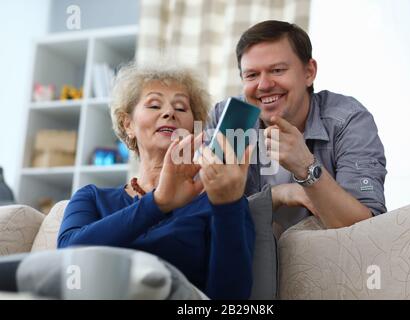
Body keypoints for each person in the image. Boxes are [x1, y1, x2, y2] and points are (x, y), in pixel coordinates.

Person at [57, 62, 255, 300]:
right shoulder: (92, 197)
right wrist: (157, 202)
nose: (169, 113)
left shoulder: (221, 201)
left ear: (195, 128)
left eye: (181, 108)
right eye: (154, 104)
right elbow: (66, 260)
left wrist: (227, 207)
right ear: (127, 124)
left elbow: (230, 302)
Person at [207, 20, 387, 234]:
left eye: (277, 70)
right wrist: (277, 195)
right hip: (249, 259)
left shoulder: (348, 120)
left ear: (309, 72)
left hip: (327, 259)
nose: (264, 85)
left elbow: (368, 229)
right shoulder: (228, 118)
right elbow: (204, 216)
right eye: (252, 75)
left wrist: (306, 168)